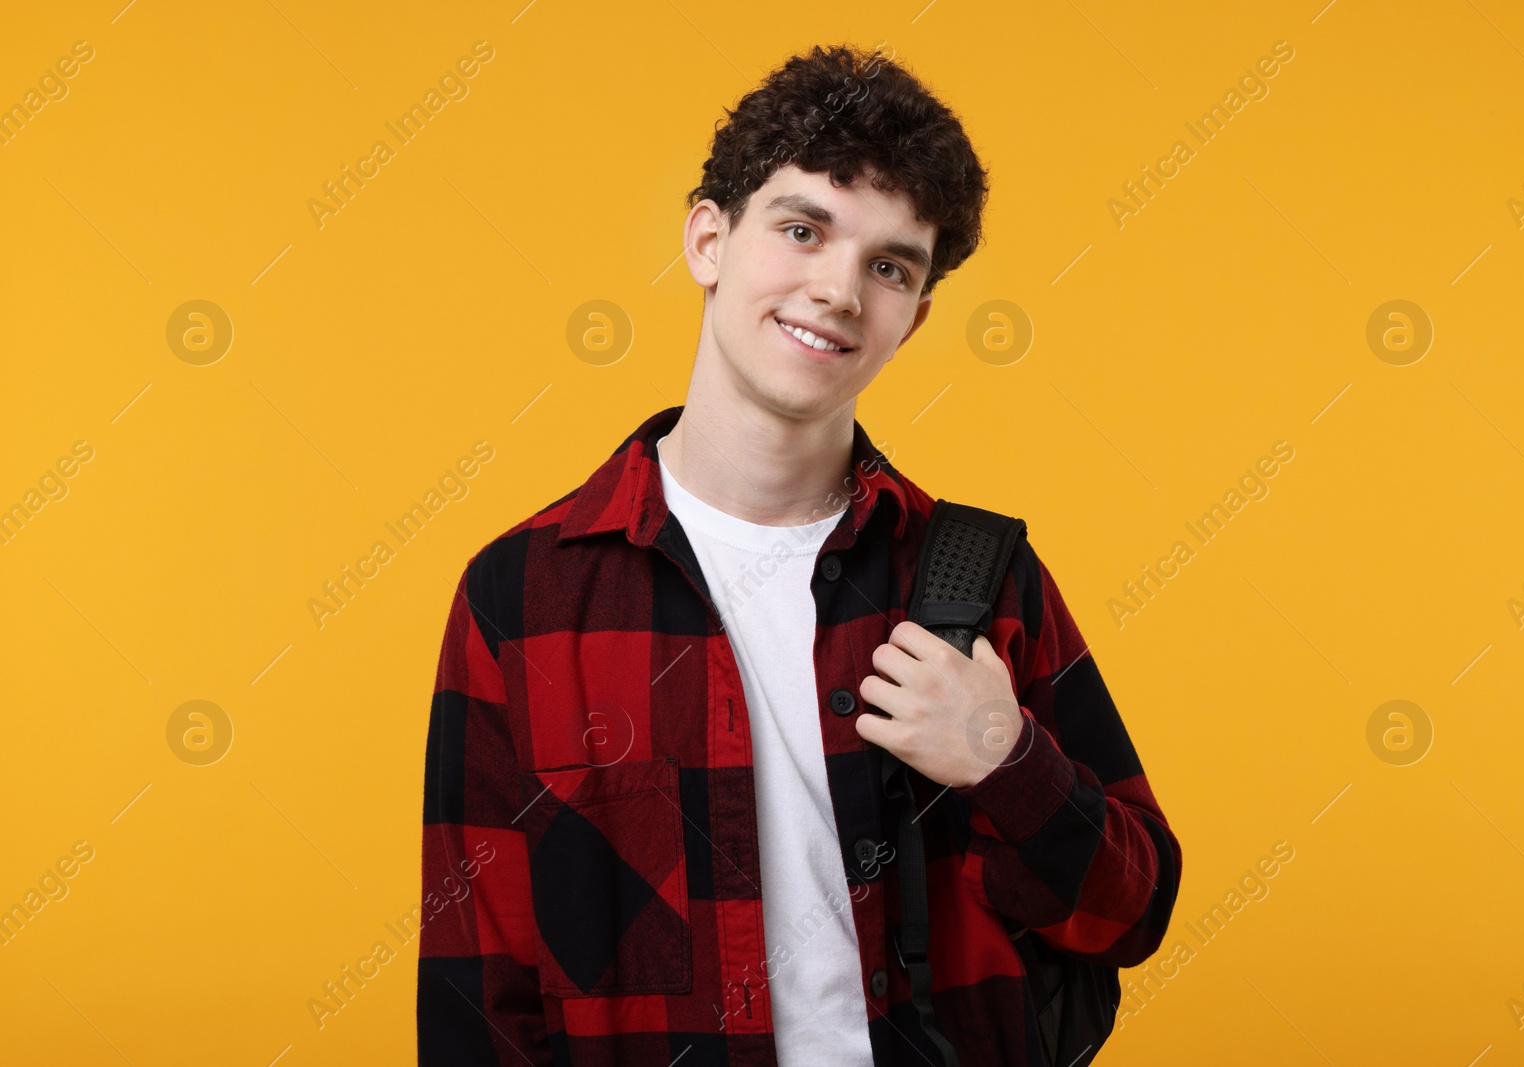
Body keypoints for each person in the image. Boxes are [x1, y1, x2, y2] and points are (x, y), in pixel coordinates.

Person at [417, 42, 1180, 1066]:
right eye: (801, 229)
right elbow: (476, 988)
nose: (837, 289)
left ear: (912, 317)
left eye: (888, 266)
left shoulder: (978, 576)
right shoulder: (525, 593)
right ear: (707, 238)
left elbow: (1130, 918)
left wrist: (1006, 761)